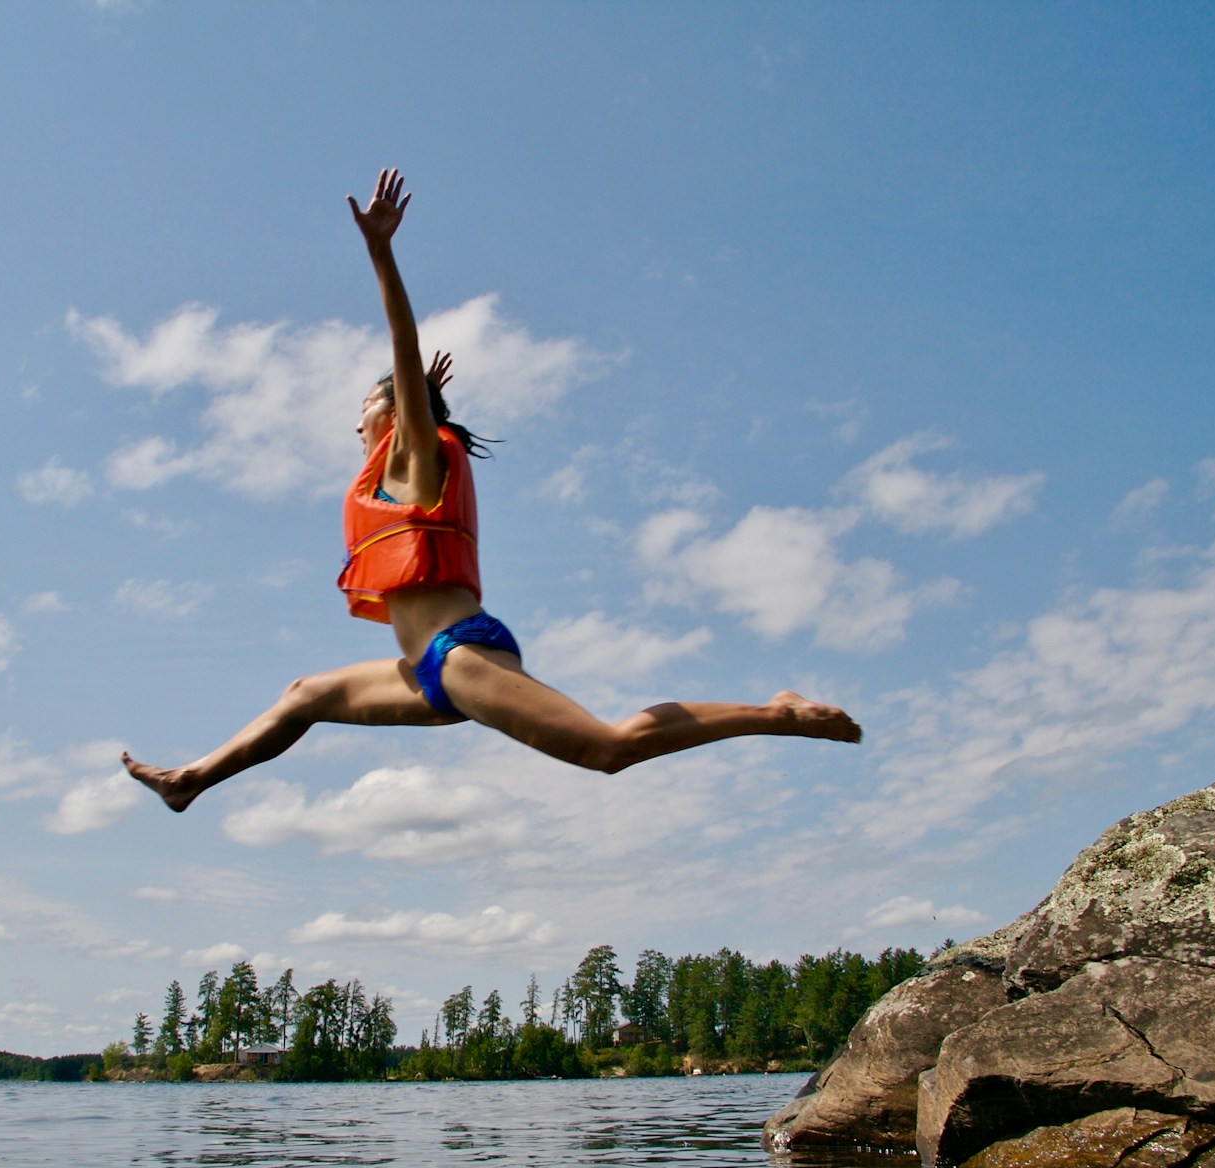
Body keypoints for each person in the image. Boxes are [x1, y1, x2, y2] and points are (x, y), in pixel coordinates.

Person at [123, 168, 859, 813]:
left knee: (608, 748)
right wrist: (423, 396)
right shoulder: (404, 456)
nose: (354, 422)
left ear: (393, 410)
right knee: (305, 694)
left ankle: (777, 713)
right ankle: (190, 780)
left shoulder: (414, 447)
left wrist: (382, 254)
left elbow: (401, 353)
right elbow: (407, 392)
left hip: (457, 655)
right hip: (422, 672)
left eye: (364, 408)